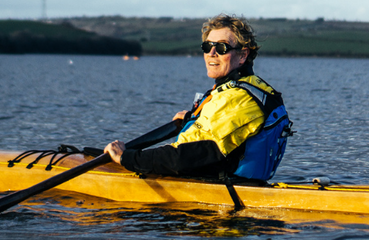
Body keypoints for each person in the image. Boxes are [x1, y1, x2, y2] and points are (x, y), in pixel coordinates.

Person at [104, 14, 292, 183]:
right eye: (207, 46)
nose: (212, 53)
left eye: (221, 47)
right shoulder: (247, 87)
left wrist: (127, 158)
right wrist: (193, 119)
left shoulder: (240, 99)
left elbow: (190, 156)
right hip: (226, 181)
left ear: (243, 55)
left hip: (224, 189)